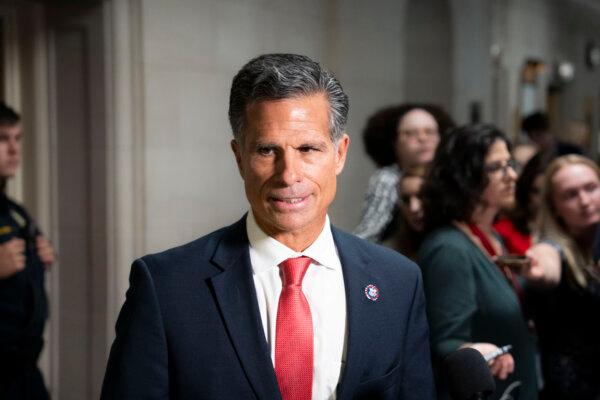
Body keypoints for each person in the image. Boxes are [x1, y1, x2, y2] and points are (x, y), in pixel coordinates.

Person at [101, 54, 434, 400]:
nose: (288, 174)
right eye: (266, 150)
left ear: (340, 154)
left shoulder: (398, 283)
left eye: (307, 148)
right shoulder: (166, 287)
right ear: (239, 158)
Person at [418, 124, 538, 400]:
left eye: (510, 164)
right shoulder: (449, 248)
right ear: (465, 177)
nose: (511, 175)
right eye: (496, 168)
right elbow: (445, 342)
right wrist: (478, 351)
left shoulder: (490, 234)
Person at [527, 155, 600, 399]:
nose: (585, 201)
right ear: (554, 207)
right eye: (570, 194)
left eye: (591, 188)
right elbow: (545, 261)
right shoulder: (551, 247)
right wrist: (539, 272)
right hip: (570, 388)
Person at [0, 102, 55, 399]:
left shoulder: (14, 211)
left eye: (17, 139)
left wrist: (42, 255)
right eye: (2, 138)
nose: (13, 149)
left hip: (24, 374)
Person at [353, 103, 454, 242]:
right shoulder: (387, 179)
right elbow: (370, 231)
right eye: (410, 133)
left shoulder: (451, 174)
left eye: (430, 131)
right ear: (394, 142)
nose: (422, 138)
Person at [494, 152, 553, 255]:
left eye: (548, 192)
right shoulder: (505, 231)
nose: (542, 200)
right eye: (536, 191)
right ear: (526, 190)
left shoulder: (575, 228)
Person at [382, 166, 426, 259]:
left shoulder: (448, 244)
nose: (413, 208)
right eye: (406, 200)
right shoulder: (391, 251)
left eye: (421, 196)